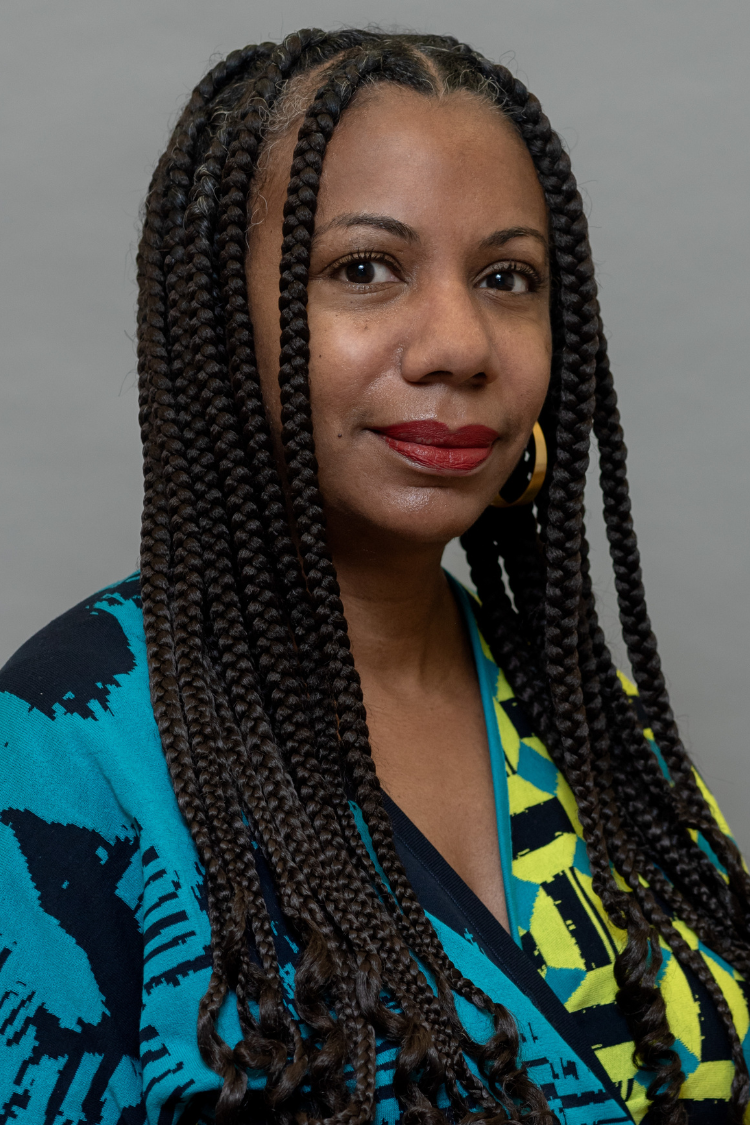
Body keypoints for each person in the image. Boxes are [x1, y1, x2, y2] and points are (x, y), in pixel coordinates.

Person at [0, 27, 747, 1125]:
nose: (460, 342)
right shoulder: (67, 743)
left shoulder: (603, 736)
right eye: (364, 269)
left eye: (507, 277)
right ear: (220, 323)